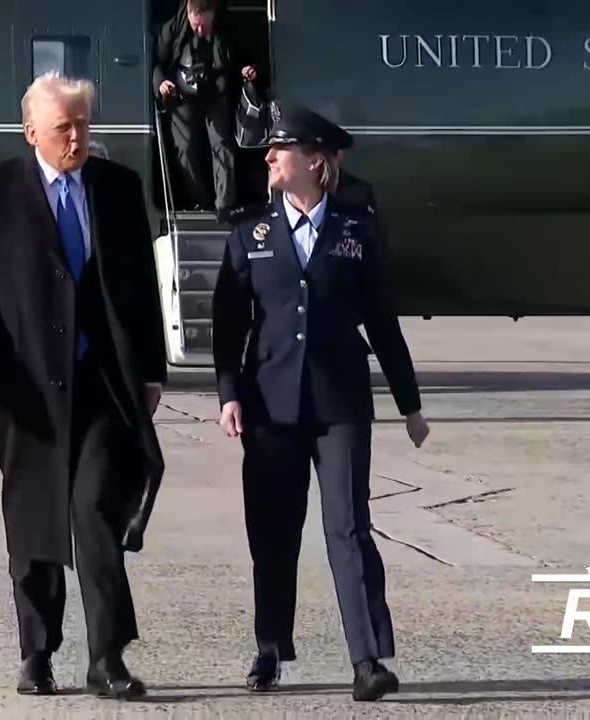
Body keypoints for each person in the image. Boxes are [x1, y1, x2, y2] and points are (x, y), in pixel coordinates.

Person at [0, 71, 168, 700]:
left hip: (102, 382)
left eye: (83, 125)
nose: (76, 138)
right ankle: (37, 654)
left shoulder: (118, 189)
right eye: (64, 127)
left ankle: (108, 657)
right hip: (25, 389)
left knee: (95, 510)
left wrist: (151, 370)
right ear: (31, 131)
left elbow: (140, 289)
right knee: (36, 520)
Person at [210, 105, 430, 702]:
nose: (269, 158)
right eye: (268, 150)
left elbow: (382, 320)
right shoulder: (249, 235)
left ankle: (367, 658)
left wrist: (409, 402)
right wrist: (229, 393)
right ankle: (269, 648)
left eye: (280, 150)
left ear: (315, 160)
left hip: (340, 404)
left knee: (348, 527)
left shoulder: (356, 230)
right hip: (270, 407)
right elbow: (228, 323)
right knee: (274, 531)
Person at [152, 0, 256, 220]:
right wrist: (161, 84)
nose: (199, 30)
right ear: (189, 13)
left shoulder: (229, 28)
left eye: (204, 26)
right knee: (186, 147)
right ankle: (201, 200)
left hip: (217, 93)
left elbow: (245, 57)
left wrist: (248, 70)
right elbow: (158, 62)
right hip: (183, 96)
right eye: (195, 25)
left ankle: (224, 205)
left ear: (214, 14)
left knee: (222, 144)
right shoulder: (172, 29)